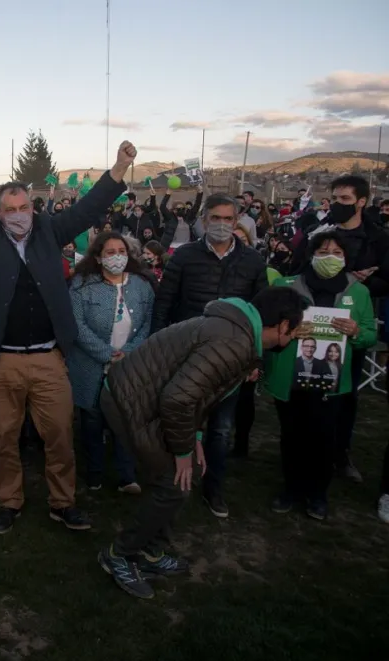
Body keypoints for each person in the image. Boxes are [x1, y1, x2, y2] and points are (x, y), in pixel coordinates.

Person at [0, 138, 135, 534]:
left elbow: (89, 208)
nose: (17, 216)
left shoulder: (50, 229)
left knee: (60, 434)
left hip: (48, 358)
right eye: (9, 210)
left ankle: (62, 502)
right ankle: (8, 501)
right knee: (2, 436)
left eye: (23, 208)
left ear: (33, 207)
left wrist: (117, 168)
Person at [97, 287, 306, 599]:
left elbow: (201, 394)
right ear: (284, 325)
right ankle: (118, 554)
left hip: (146, 400)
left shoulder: (237, 332)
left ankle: (152, 553)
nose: (295, 338)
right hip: (130, 402)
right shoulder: (234, 342)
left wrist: (194, 438)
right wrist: (181, 450)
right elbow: (178, 399)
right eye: (296, 330)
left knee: (183, 478)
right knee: (172, 484)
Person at [151, 193, 267, 518]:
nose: (220, 225)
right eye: (214, 218)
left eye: (227, 219)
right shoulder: (184, 257)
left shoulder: (253, 261)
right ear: (204, 221)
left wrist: (255, 360)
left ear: (237, 221)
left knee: (221, 428)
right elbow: (165, 303)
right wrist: (159, 345)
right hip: (187, 353)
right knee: (179, 419)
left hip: (232, 361)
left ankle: (214, 489)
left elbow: (260, 316)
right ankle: (171, 482)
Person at [264, 233, 376, 520]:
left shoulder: (359, 292)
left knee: (324, 439)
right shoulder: (286, 285)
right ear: (311, 254)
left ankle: (317, 495)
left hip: (332, 382)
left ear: (346, 258)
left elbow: (370, 335)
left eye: (337, 252)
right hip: (291, 377)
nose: (330, 256)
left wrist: (355, 332)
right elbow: (268, 327)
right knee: (292, 437)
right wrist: (287, 333)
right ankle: (290, 489)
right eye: (324, 250)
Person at [293, 176, 389, 483]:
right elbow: (297, 266)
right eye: (334, 198)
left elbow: (387, 278)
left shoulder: (379, 238)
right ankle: (301, 453)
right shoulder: (322, 231)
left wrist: (366, 280)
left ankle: (339, 453)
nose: (337, 204)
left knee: (346, 393)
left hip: (351, 323)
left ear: (361, 202)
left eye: (345, 199)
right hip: (315, 318)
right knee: (305, 387)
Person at [68, 232, 155, 494]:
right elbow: (77, 325)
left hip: (129, 366)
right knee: (92, 421)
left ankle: (126, 475)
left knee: (125, 421)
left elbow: (147, 324)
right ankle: (94, 473)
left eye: (121, 251)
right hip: (90, 365)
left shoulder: (142, 286)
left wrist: (128, 351)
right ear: (97, 257)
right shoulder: (82, 286)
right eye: (110, 252)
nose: (117, 256)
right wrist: (106, 354)